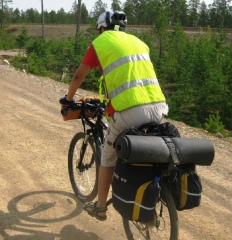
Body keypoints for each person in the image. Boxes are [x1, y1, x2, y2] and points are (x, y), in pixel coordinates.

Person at [59, 11, 168, 221]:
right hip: (158, 106)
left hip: (130, 110)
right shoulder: (139, 42)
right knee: (146, 150)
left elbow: (78, 75)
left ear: (101, 27)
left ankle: (100, 208)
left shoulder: (100, 43)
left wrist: (68, 98)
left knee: (108, 158)